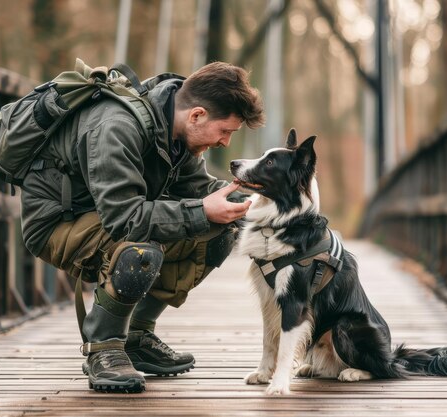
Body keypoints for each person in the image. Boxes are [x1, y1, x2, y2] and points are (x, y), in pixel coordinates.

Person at [19, 61, 265, 393]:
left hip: (106, 217)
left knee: (220, 232)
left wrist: (258, 209)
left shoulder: (175, 130)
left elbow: (199, 190)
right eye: (225, 132)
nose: (224, 143)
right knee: (140, 251)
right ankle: (103, 348)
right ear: (197, 115)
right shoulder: (117, 126)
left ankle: (136, 335)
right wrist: (202, 211)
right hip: (58, 222)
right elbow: (125, 218)